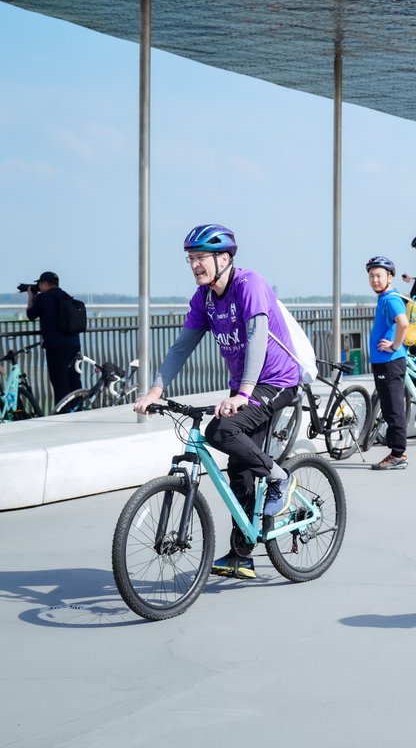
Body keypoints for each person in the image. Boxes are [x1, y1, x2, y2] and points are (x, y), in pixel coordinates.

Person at [134, 224, 301, 579]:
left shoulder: (249, 284)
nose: (195, 264)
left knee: (221, 432)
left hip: (277, 381)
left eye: (201, 257)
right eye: (190, 258)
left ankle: (281, 478)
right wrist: (156, 390)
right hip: (246, 387)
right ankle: (242, 556)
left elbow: (257, 338)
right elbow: (182, 346)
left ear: (224, 258)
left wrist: (242, 394)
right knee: (239, 468)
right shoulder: (204, 299)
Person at [365, 256, 410, 471]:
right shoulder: (384, 298)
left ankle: (398, 454)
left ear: (389, 277)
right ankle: (397, 452)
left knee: (393, 409)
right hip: (384, 362)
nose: (374, 279)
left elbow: (403, 323)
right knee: (390, 406)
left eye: (379, 275)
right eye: (372, 275)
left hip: (390, 361)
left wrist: (393, 345)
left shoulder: (391, 298)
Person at [23, 270, 82, 404]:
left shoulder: (43, 298)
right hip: (74, 344)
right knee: (74, 380)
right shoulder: (66, 296)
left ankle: (63, 413)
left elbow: (31, 314)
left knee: (60, 382)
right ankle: (78, 409)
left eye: (40, 284)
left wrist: (31, 297)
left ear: (45, 284)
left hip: (56, 347)